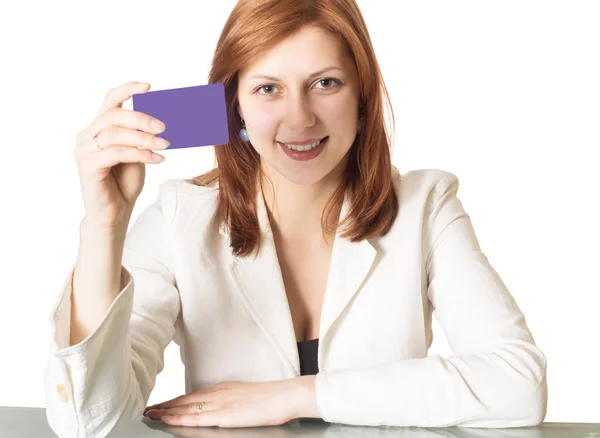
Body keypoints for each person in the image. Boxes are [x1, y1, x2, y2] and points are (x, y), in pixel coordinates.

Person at [44, 0, 548, 437]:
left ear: (362, 94)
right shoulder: (181, 216)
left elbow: (517, 385)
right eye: (268, 89)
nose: (300, 119)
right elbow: (88, 421)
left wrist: (295, 396)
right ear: (234, 103)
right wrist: (104, 227)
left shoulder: (426, 204)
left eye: (325, 83)